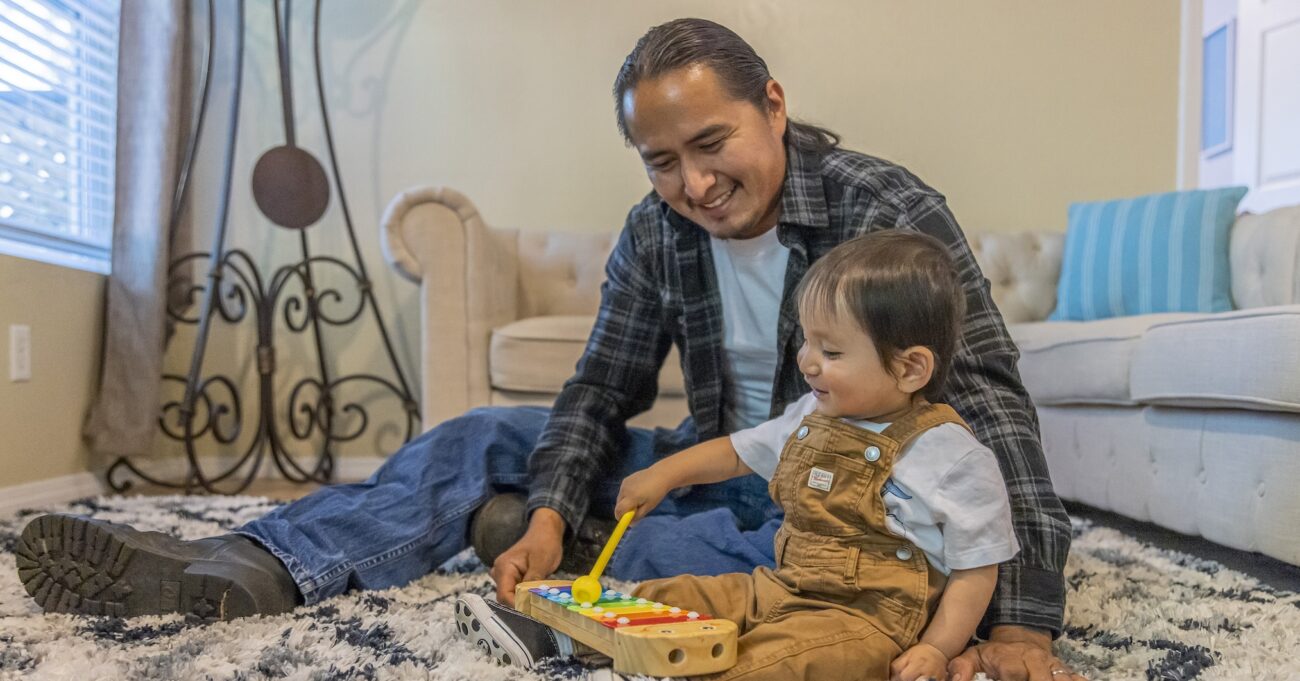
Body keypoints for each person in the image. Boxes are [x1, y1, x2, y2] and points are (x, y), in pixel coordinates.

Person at [18, 17, 1081, 681]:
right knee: (489, 434)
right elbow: (597, 394)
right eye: (662, 162)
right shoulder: (656, 232)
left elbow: (987, 407)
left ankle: (537, 547)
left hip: (841, 519)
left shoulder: (883, 209)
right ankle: (254, 566)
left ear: (772, 106)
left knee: (767, 598)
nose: (694, 185)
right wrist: (546, 502)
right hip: (720, 464)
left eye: (712, 145)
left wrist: (1024, 625)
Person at [455, 231, 1022, 681]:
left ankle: (697, 668)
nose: (807, 361)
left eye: (831, 350)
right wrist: (662, 474)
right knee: (672, 596)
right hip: (779, 586)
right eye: (807, 341)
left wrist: (935, 649)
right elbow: (735, 452)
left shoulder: (951, 457)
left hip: (867, 624)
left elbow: (978, 569)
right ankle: (568, 634)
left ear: (909, 368)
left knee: (781, 661)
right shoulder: (811, 416)